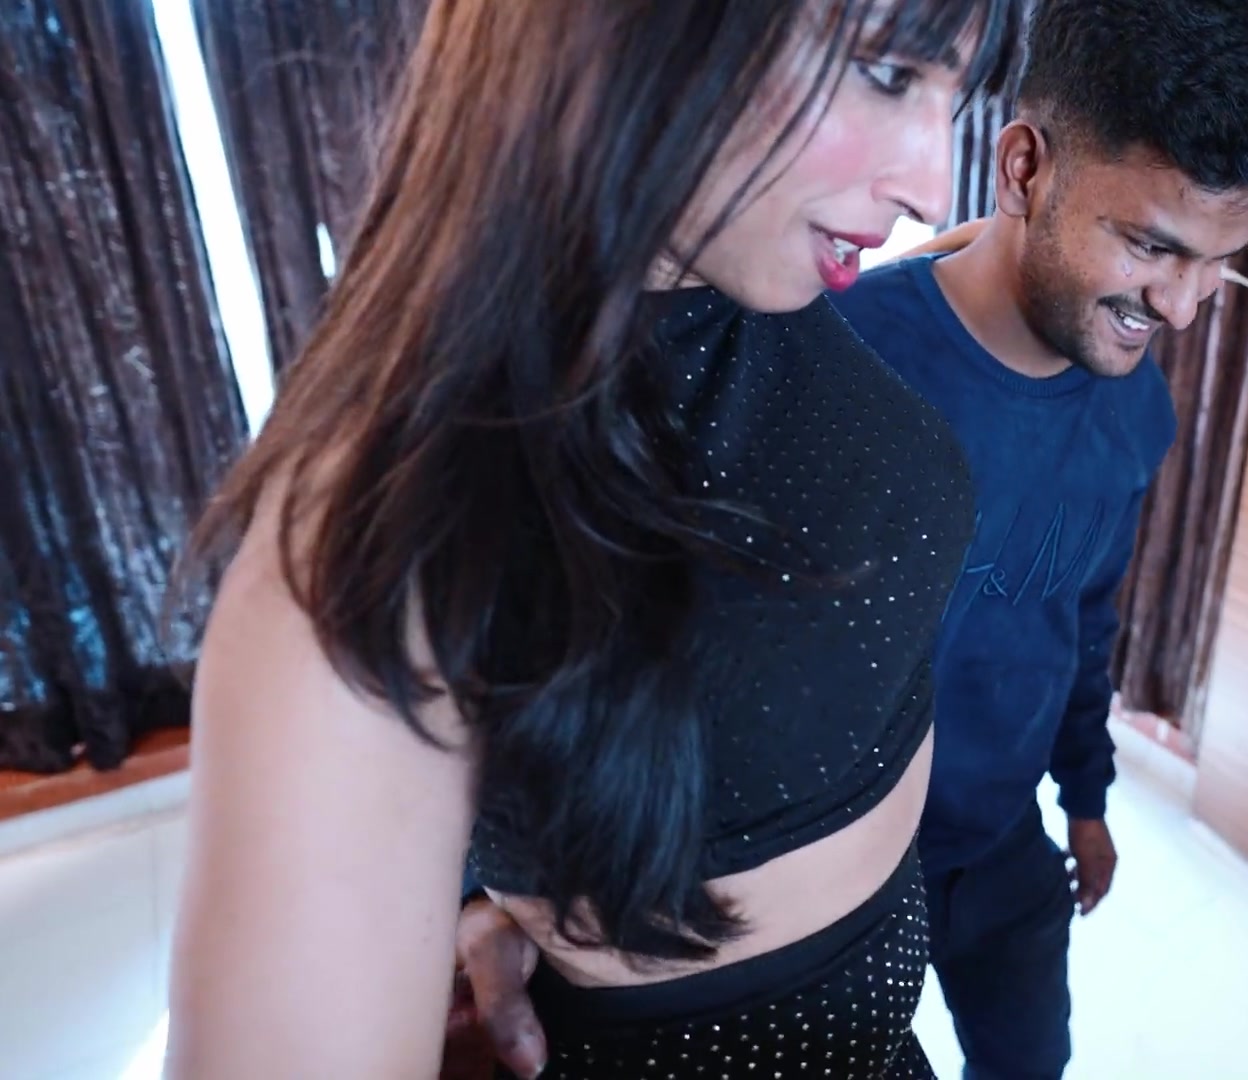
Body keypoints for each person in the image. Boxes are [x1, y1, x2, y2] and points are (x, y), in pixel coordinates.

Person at [453, 1, 1248, 1076]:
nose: (1185, 307)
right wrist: (482, 884)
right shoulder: (818, 346)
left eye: (1219, 264)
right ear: (1023, 169)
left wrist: (1087, 796)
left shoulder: (1138, 410)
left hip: (1002, 847)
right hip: (830, 901)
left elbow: (1080, 621)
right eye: (1154, 247)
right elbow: (546, 609)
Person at [164, 1, 1022, 1076]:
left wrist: (480, 872)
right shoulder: (362, 562)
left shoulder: (757, 266)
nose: (933, 187)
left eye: (956, 92)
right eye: (887, 74)